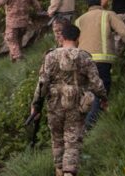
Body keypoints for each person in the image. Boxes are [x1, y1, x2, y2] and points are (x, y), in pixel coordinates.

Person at [31, 24, 108, 176]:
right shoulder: (84, 56)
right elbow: (96, 82)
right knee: (72, 142)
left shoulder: (50, 56)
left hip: (54, 104)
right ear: (78, 38)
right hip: (76, 105)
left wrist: (35, 106)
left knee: (57, 140)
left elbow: (42, 83)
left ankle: (60, 170)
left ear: (63, 37)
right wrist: (103, 98)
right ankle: (69, 172)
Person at [75, 0, 125, 128]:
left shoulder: (79, 20)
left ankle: (80, 124)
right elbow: (124, 33)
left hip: (82, 61)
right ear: (101, 4)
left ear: (87, 6)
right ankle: (89, 126)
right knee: (100, 92)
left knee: (86, 93)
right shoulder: (108, 14)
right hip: (102, 61)